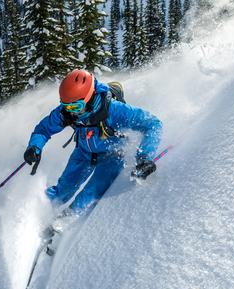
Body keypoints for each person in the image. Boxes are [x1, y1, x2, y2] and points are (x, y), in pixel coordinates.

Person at [23, 70, 162, 217]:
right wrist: (34, 146)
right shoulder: (67, 111)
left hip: (112, 155)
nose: (71, 113)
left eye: (75, 107)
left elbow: (152, 124)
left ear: (89, 98)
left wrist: (144, 157)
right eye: (66, 106)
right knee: (63, 190)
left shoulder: (114, 110)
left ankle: (59, 226)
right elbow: (43, 129)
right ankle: (32, 214)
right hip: (83, 152)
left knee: (87, 196)